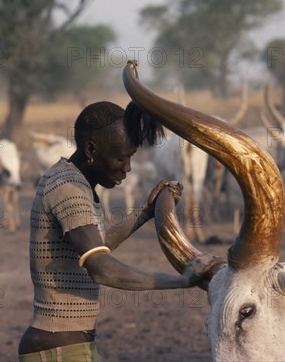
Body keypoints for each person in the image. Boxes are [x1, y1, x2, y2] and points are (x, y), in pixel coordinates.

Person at [18, 101, 198, 362]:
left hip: (68, 348)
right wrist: (184, 280)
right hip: (58, 351)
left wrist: (145, 211)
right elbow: (101, 268)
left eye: (131, 157)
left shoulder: (73, 181)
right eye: (121, 158)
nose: (127, 168)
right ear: (91, 149)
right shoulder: (68, 188)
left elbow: (98, 245)